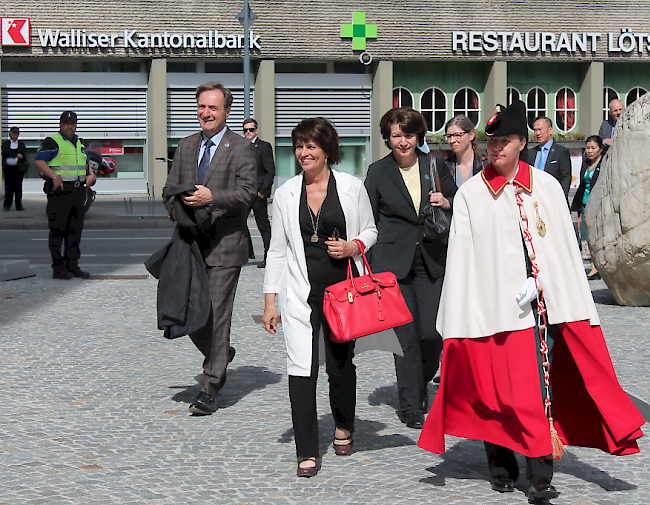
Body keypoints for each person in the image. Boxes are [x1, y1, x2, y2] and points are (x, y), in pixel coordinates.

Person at [418, 100, 644, 504]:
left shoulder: (547, 185)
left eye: (505, 141)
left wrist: (549, 283)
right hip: (492, 310)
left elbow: (562, 248)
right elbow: (464, 258)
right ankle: (501, 465)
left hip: (543, 308)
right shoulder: (472, 194)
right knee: (495, 391)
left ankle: (540, 474)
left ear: (522, 143)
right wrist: (459, 314)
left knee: (538, 389)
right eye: (492, 142)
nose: (496, 149)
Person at [262, 117, 399, 478]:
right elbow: (277, 250)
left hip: (343, 293)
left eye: (311, 146)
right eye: (300, 146)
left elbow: (370, 230)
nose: (304, 153)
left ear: (327, 151)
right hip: (299, 294)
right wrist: (270, 299)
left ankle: (343, 424)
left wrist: (354, 245)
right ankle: (306, 451)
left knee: (339, 366)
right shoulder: (286, 192)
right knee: (300, 368)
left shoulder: (352, 188)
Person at [162, 82, 257, 416]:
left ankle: (209, 388)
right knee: (186, 312)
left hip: (226, 246)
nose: (206, 113)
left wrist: (211, 197)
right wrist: (178, 211)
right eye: (202, 107)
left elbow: (247, 193)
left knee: (216, 316)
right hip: (190, 244)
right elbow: (168, 190)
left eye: (213, 108)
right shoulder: (187, 146)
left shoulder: (242, 147)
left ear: (227, 111)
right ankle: (221, 353)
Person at [364, 108, 457, 430]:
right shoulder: (378, 172)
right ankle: (411, 404)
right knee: (405, 338)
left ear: (419, 136)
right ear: (387, 138)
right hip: (393, 263)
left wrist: (447, 202)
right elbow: (368, 219)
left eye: (408, 134)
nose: (402, 141)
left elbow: (458, 200)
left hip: (431, 258)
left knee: (432, 333)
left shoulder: (436, 164)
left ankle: (422, 380)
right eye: (396, 135)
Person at [34, 112, 96, 280]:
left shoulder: (79, 143)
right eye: (67, 123)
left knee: (74, 231)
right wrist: (54, 177)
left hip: (77, 192)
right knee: (57, 231)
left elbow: (85, 162)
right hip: (60, 192)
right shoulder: (52, 141)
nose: (70, 126)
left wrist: (91, 175)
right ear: (60, 124)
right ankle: (58, 268)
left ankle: (73, 265)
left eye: (73, 123)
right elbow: (39, 160)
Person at [243, 118, 275, 268]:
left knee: (262, 225)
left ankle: (269, 256)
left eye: (250, 129)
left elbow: (270, 171)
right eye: (245, 130)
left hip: (257, 194)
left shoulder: (264, 147)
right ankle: (246, 254)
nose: (248, 132)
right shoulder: (240, 147)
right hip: (242, 193)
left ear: (256, 130)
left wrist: (263, 192)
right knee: (238, 223)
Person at [571, 135, 604, 280]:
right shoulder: (585, 163)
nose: (589, 151)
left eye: (593, 148)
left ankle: (600, 266)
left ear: (600, 149)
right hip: (585, 204)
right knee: (585, 235)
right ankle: (593, 267)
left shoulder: (603, 163)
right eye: (587, 148)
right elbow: (582, 185)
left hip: (599, 204)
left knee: (598, 235)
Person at [523, 117, 571, 197]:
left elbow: (566, 177)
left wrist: (560, 197)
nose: (538, 133)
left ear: (550, 130)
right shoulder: (531, 153)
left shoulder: (561, 152)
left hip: (553, 198)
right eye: (535, 130)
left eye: (540, 129)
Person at [443, 115, 485, 188]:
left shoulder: (485, 164)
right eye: (449, 136)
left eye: (458, 135)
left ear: (471, 135)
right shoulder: (445, 167)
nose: (452, 140)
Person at [2, 127, 28, 212]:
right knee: (8, 188)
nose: (15, 135)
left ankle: (19, 205)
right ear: (10, 134)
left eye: (16, 133)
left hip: (18, 169)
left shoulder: (21, 144)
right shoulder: (6, 143)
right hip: (8, 169)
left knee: (18, 188)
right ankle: (7, 205)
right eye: (13, 133)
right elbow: (5, 152)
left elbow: (23, 153)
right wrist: (16, 155)